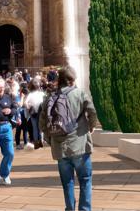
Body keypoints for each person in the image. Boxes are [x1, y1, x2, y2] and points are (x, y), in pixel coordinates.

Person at [40, 66, 97, 211]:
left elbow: (42, 123)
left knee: (67, 182)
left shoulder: (50, 97)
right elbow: (92, 111)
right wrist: (91, 126)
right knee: (85, 180)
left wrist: (50, 139)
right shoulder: (79, 93)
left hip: (59, 148)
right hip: (79, 145)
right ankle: (84, 209)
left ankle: (70, 208)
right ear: (72, 80)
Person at [25, 79, 46, 150]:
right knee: (40, 128)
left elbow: (25, 103)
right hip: (41, 113)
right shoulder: (42, 94)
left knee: (35, 128)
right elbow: (46, 101)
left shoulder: (30, 94)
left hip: (33, 113)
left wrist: (28, 106)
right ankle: (41, 142)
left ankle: (37, 143)